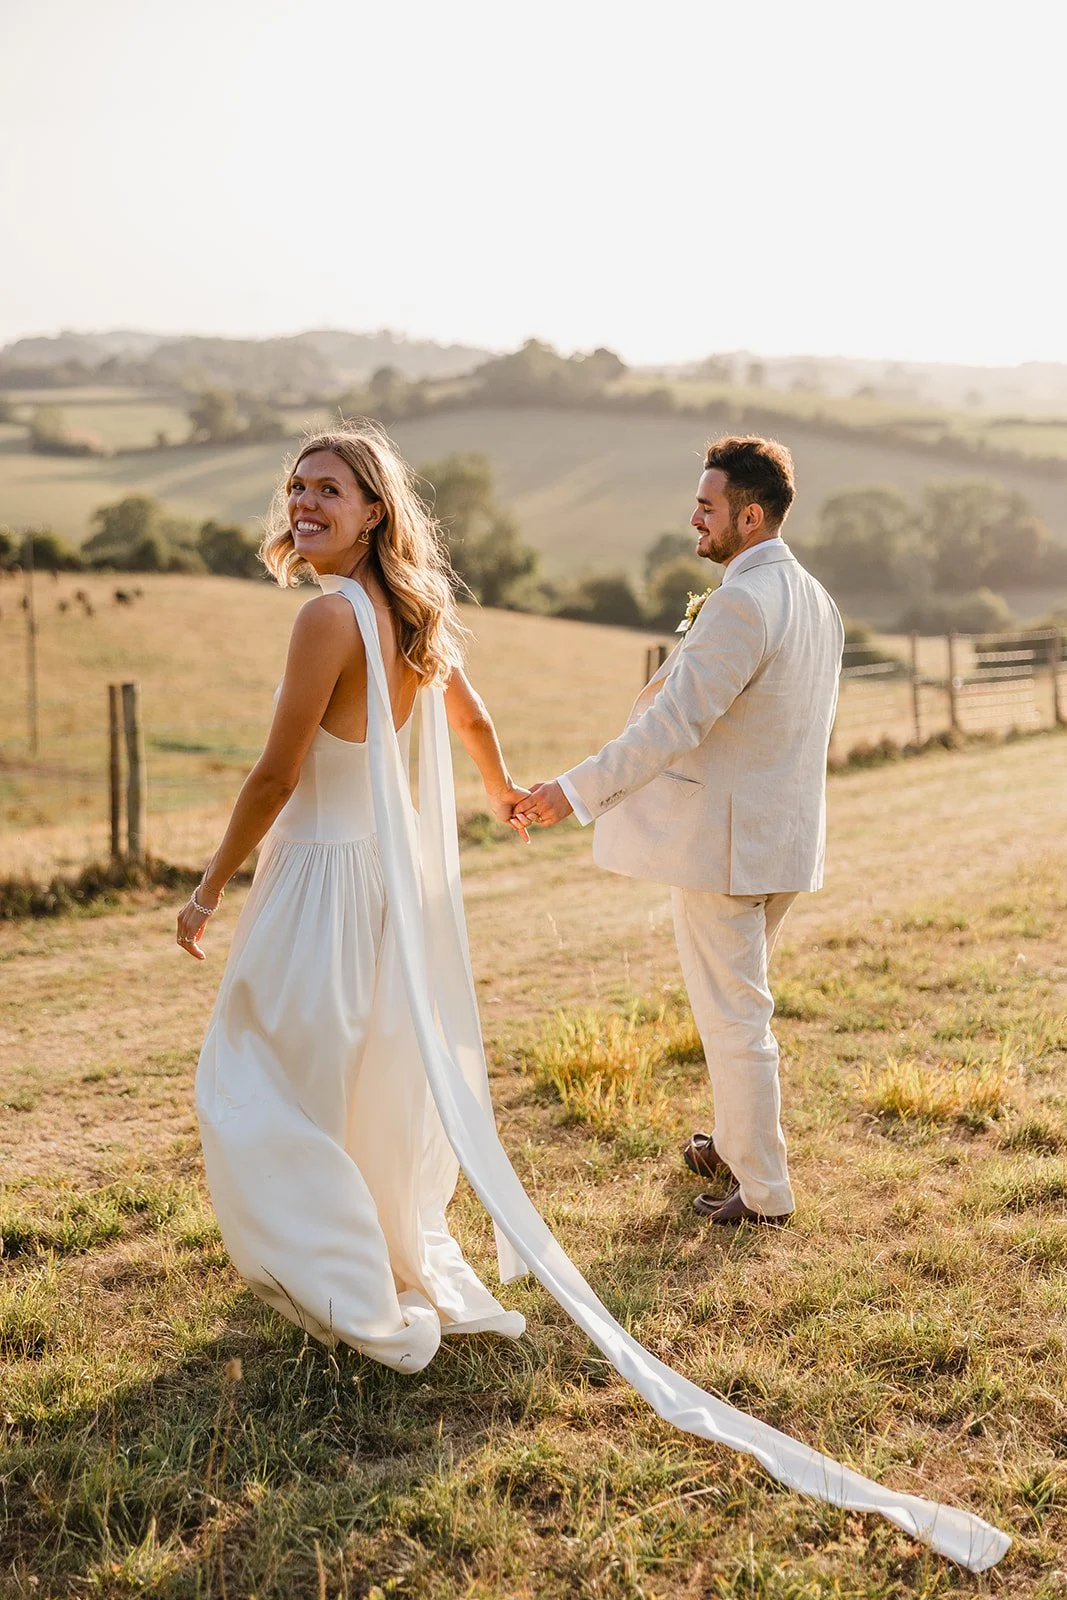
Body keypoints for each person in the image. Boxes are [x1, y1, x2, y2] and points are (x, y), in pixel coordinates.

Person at [176, 424, 1007, 1570]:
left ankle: (743, 1185)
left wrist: (552, 796)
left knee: (269, 1075)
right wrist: (503, 785)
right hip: (656, 854)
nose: (303, 499)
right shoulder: (432, 617)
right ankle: (394, 1234)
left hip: (395, 872)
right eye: (297, 486)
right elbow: (466, 716)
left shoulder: (339, 618)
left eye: (328, 486)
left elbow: (666, 722)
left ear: (372, 509)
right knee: (376, 1066)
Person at [516, 436, 844, 1226]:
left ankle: (763, 1194)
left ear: (750, 514)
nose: (693, 517)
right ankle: (731, 1144)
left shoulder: (741, 600)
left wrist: (572, 791)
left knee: (735, 1022)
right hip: (784, 843)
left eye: (708, 505)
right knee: (741, 1008)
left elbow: (673, 722)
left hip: (725, 850)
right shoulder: (814, 597)